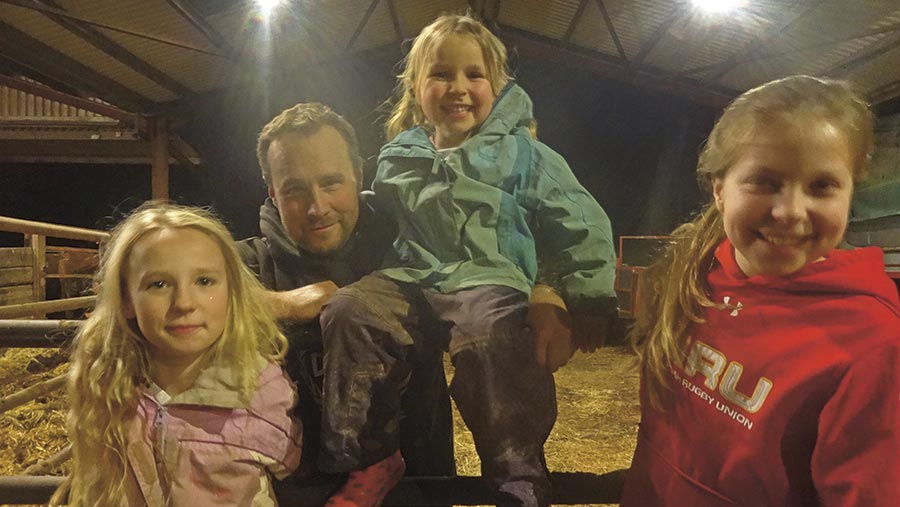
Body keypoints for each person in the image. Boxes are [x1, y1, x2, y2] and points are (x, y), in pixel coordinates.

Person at [318, 13, 618, 507]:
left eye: (474, 75)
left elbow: (580, 218)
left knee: (495, 338)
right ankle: (367, 458)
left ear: (496, 86)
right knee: (349, 311)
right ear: (416, 88)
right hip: (411, 275)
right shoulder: (399, 155)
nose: (458, 87)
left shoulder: (523, 154)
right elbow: (380, 215)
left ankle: (516, 472)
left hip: (488, 278)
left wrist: (584, 298)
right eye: (441, 74)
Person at [239, 102, 578, 504]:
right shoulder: (246, 265)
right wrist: (285, 304)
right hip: (299, 497)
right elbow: (168, 294)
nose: (317, 208)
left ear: (358, 175)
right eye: (294, 189)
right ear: (272, 192)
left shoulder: (410, 240)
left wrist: (543, 290)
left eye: (331, 183)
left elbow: (501, 236)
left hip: (419, 486)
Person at [621, 75, 900, 506]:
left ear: (850, 193)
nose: (790, 211)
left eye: (821, 186)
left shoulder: (872, 342)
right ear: (719, 190)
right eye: (765, 182)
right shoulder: (697, 275)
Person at [55, 202, 301, 506]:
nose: (184, 303)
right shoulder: (105, 385)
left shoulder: (261, 389)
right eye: (158, 284)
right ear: (127, 300)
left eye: (204, 281)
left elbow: (287, 468)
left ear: (231, 290)